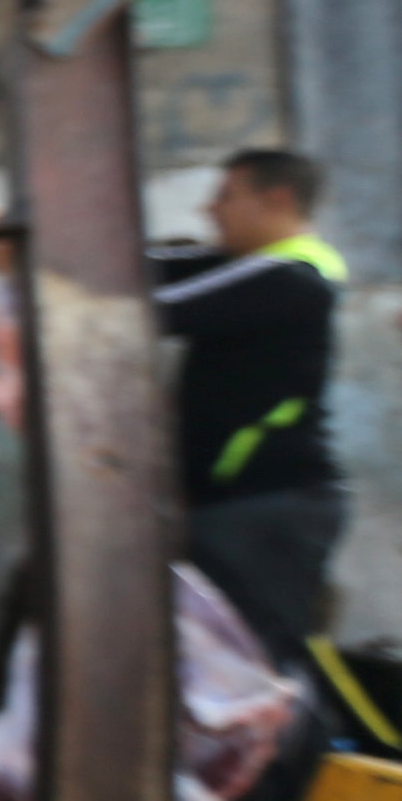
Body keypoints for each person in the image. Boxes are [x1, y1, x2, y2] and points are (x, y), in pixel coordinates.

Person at [157, 147, 347, 668]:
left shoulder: (289, 277)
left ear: (277, 199)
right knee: (225, 667)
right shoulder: (253, 267)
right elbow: (137, 265)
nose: (210, 209)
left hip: (265, 504)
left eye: (225, 196)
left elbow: (152, 309)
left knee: (252, 669)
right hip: (240, 502)